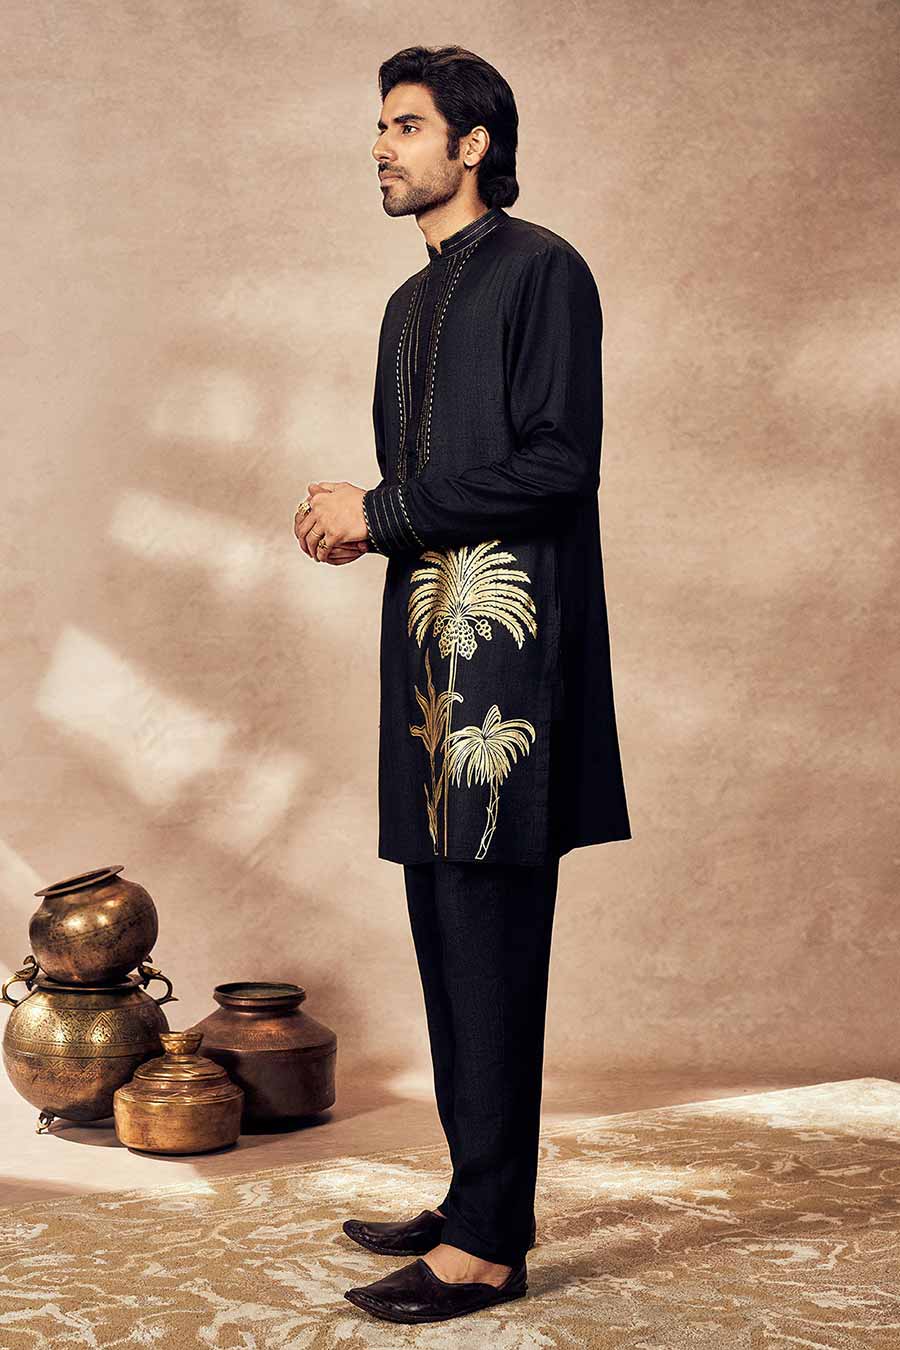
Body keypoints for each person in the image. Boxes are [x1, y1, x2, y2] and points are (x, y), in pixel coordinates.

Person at [293, 44, 631, 1326]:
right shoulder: (408, 302)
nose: (381, 146)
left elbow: (557, 465)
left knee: (491, 948)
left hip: (510, 676)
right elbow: (432, 489)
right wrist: (365, 523)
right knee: (445, 938)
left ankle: (489, 1246)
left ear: (473, 144)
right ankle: (475, 1195)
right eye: (380, 126)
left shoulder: (543, 269)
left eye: (405, 125)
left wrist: (377, 509)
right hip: (425, 664)